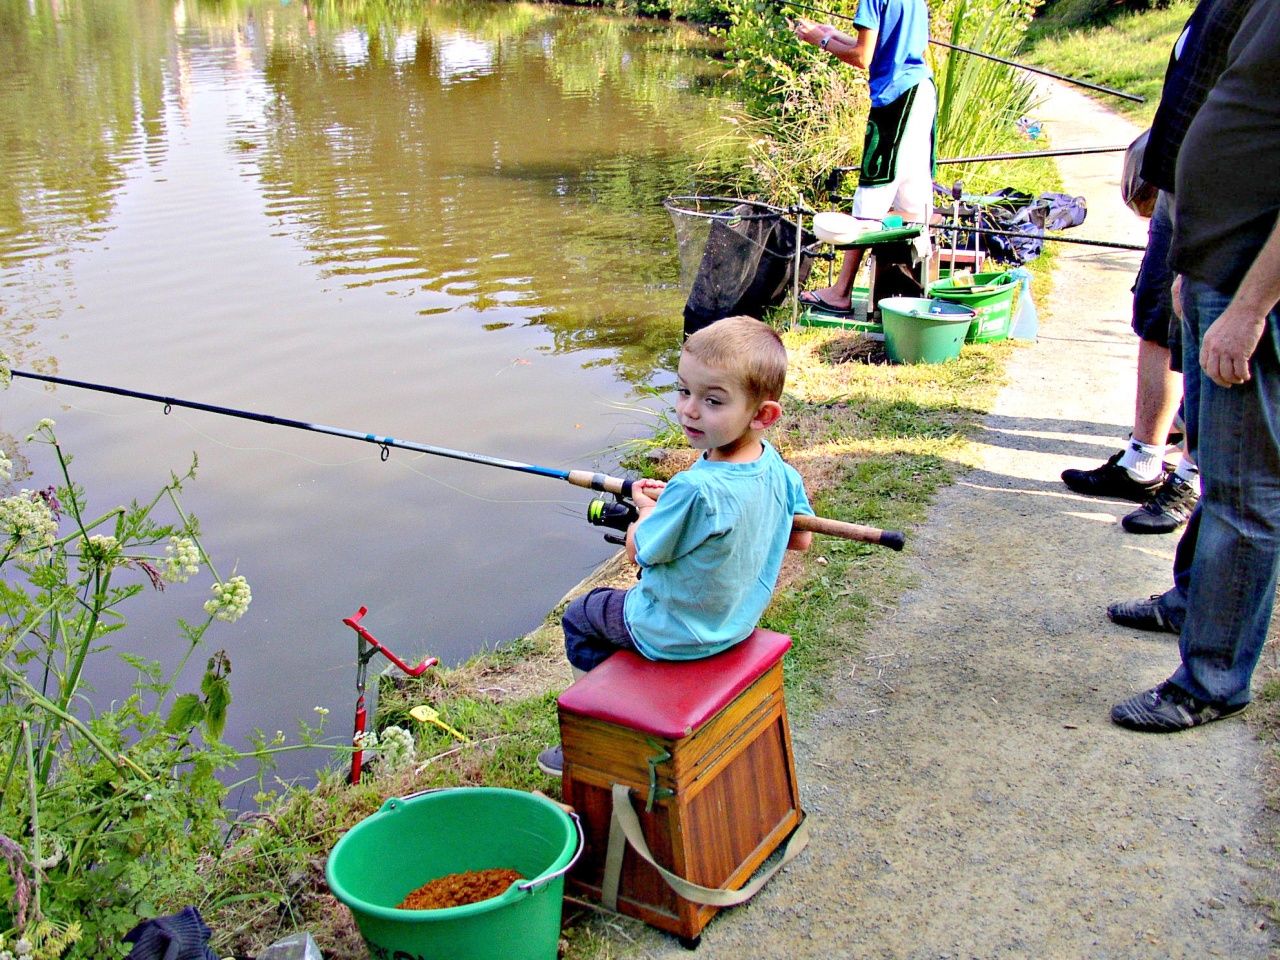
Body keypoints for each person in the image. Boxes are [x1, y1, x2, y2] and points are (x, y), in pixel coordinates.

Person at [537, 316, 814, 774]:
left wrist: (646, 511)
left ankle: (592, 735)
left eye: (712, 400)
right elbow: (800, 537)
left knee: (583, 615)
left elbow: (639, 552)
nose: (688, 410)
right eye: (684, 391)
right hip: (733, 623)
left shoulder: (695, 490)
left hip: (677, 631)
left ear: (763, 414)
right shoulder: (780, 471)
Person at [1111, 0, 1280, 733]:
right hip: (1217, 268)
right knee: (1212, 462)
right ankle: (1190, 601)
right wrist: (1194, 265)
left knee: (1247, 495)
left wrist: (1249, 307)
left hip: (1252, 285)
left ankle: (1211, 681)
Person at [1061, 0, 1254, 535]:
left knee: (1207, 331)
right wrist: (1154, 159)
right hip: (1178, 184)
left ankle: (1189, 476)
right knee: (1156, 316)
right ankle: (1142, 460)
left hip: (1221, 197)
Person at [792, 0, 934, 313]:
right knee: (913, 200)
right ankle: (918, 290)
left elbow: (862, 56)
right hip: (921, 90)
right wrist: (834, 34)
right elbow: (885, 44)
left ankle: (841, 292)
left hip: (896, 99)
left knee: (870, 200)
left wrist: (823, 41)